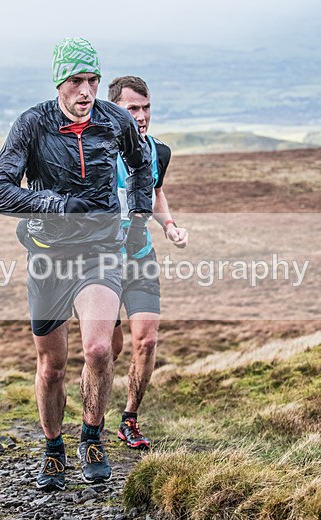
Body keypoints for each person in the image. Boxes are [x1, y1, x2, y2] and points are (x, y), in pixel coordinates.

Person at [0, 38, 153, 491]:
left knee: (98, 350)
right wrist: (55, 203)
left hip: (100, 251)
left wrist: (138, 216)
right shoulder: (32, 124)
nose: (86, 91)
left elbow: (142, 164)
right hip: (48, 256)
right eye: (76, 81)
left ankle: (92, 438)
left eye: (93, 80)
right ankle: (53, 448)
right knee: (52, 366)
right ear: (59, 82)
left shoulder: (115, 120)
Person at [107, 76, 189, 449]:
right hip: (99, 264)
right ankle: (92, 420)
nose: (141, 116)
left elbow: (156, 192)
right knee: (108, 349)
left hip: (141, 258)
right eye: (132, 109)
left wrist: (169, 226)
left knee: (147, 340)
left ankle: (129, 419)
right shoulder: (95, 151)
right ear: (113, 110)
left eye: (146, 108)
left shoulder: (159, 151)